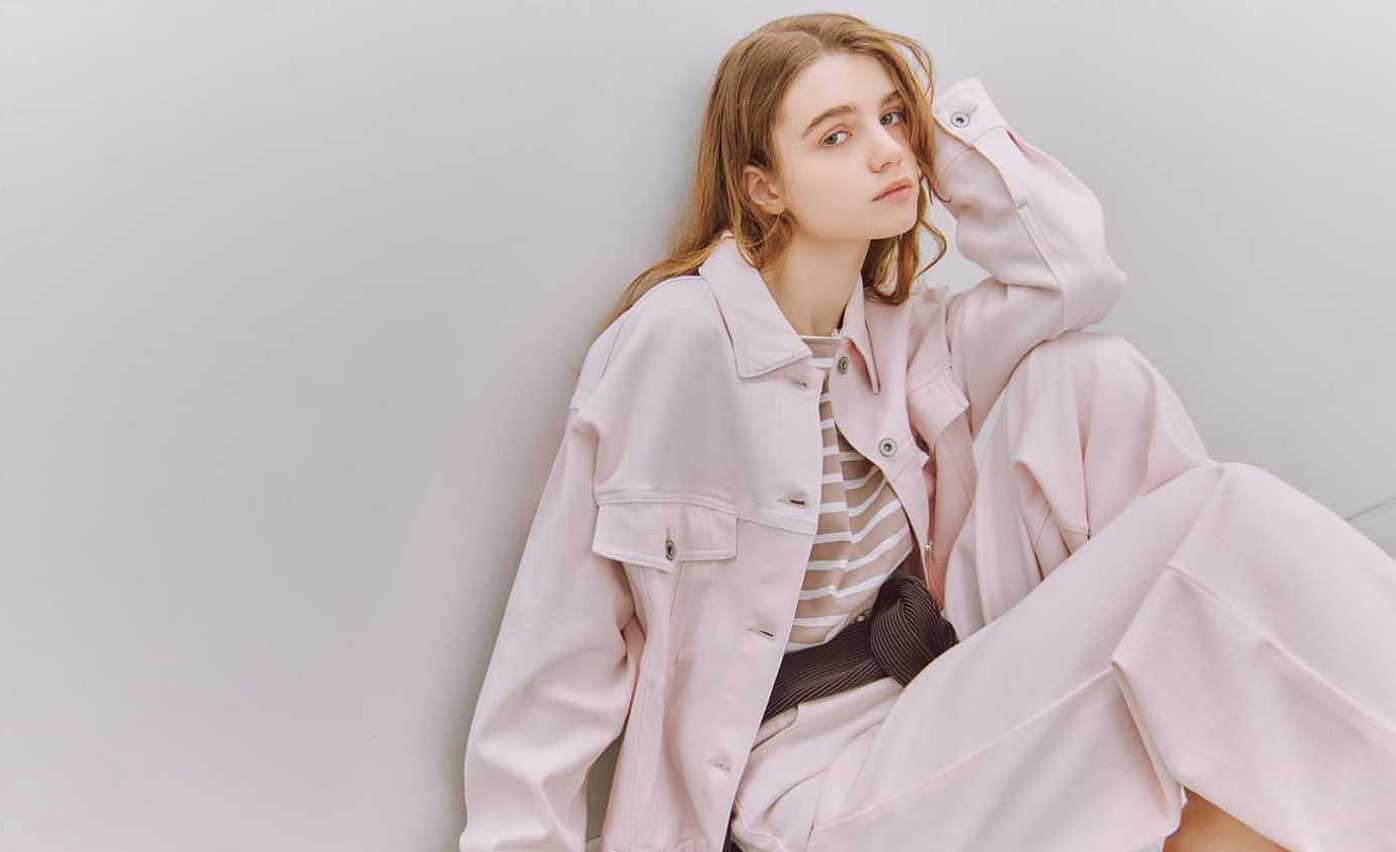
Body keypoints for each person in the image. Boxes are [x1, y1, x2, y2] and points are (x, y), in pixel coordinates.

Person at [459, 12, 1396, 852]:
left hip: (939, 696)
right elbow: (560, 651)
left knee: (1086, 370)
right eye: (836, 136)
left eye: (892, 119)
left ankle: (1218, 700)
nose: (885, 154)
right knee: (1220, 525)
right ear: (763, 187)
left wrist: (946, 143)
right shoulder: (679, 343)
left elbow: (1071, 278)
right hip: (809, 784)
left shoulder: (903, 335)